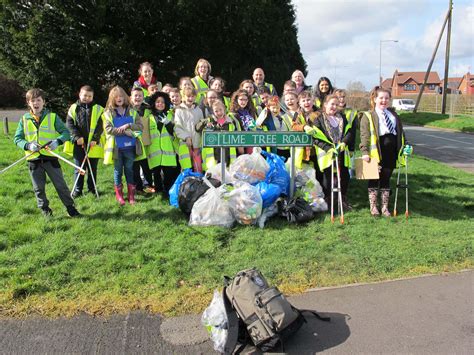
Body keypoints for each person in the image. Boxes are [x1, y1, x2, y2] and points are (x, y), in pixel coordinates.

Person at [13, 88, 80, 217]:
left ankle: (71, 208)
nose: (36, 103)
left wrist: (58, 142)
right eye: (33, 101)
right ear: (28, 103)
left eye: (38, 100)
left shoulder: (52, 117)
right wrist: (28, 145)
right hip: (33, 159)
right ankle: (45, 210)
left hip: (50, 158)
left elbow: (66, 132)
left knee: (61, 185)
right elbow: (17, 138)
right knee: (38, 188)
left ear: (44, 102)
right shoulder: (24, 119)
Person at [359, 87, 412, 217]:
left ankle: (384, 207)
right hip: (376, 151)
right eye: (381, 98)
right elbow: (364, 135)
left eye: (387, 98)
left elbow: (401, 133)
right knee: (374, 178)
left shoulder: (394, 115)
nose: (384, 100)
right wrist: (364, 151)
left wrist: (406, 145)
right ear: (375, 99)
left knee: (386, 179)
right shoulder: (368, 116)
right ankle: (373, 207)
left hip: (391, 151)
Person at [304, 94, 354, 209]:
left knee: (345, 176)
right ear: (325, 105)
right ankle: (329, 200)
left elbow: (349, 132)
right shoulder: (318, 119)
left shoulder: (342, 117)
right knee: (328, 178)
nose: (334, 107)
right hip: (327, 153)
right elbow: (315, 138)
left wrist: (344, 143)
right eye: (332, 104)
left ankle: (342, 200)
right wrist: (328, 148)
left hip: (341, 151)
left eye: (336, 105)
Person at [103, 85, 144, 205]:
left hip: (130, 148)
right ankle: (120, 196)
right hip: (117, 148)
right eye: (116, 97)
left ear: (125, 97)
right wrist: (122, 131)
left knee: (129, 170)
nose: (119, 99)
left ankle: (131, 196)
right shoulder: (108, 113)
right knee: (117, 171)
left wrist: (128, 126)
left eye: (121, 96)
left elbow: (140, 127)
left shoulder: (132, 111)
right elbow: (108, 129)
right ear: (112, 99)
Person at [64, 85, 104, 198]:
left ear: (93, 96)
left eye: (89, 96)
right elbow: (69, 124)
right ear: (80, 95)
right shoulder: (73, 108)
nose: (87, 97)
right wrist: (77, 137)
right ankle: (78, 189)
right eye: (84, 95)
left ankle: (92, 189)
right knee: (79, 167)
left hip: (93, 144)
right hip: (79, 143)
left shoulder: (98, 109)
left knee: (92, 168)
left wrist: (95, 139)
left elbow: (101, 126)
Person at [146, 92, 180, 197]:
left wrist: (168, 123)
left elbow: (175, 132)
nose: (160, 104)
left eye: (162, 102)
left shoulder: (170, 115)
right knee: (156, 173)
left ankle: (168, 191)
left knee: (168, 174)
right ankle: (159, 191)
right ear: (154, 103)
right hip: (154, 150)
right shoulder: (149, 116)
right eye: (158, 102)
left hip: (168, 151)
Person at [196, 100, 237, 169]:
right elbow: (197, 128)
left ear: (224, 109)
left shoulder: (230, 122)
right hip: (214, 155)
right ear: (213, 112)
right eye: (216, 111)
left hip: (227, 154)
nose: (219, 113)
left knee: (226, 174)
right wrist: (205, 123)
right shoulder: (209, 120)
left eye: (220, 110)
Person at [130, 87, 154, 194]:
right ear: (131, 97)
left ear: (143, 97)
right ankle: (138, 187)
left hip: (146, 141)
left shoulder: (148, 109)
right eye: (135, 95)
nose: (138, 98)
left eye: (140, 95)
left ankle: (149, 184)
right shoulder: (128, 110)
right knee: (135, 166)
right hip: (133, 142)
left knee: (147, 166)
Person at [174, 87, 204, 172]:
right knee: (186, 169)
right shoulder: (179, 110)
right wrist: (186, 137)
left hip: (197, 144)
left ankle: (198, 184)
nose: (190, 98)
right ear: (183, 97)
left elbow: (201, 126)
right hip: (185, 144)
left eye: (193, 96)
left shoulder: (198, 110)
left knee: (198, 168)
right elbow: (177, 127)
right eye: (188, 96)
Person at [229, 89, 257, 155]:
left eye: (245, 100)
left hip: (249, 142)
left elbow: (253, 127)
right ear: (236, 100)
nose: (243, 102)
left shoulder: (249, 112)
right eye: (241, 99)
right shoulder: (233, 114)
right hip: (239, 144)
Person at [335, 89, 357, 154]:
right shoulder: (331, 111)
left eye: (343, 97)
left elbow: (353, 131)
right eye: (339, 97)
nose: (342, 99)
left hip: (346, 144)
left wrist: (351, 148)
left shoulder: (351, 112)